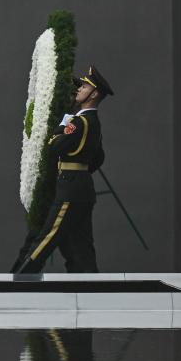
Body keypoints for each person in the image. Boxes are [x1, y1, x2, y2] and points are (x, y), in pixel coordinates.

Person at [13, 66, 113, 274]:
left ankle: (21, 279)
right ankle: (89, 287)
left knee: (46, 239)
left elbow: (53, 147)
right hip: (82, 188)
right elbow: (99, 158)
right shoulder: (94, 123)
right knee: (81, 247)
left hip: (70, 189)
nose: (79, 89)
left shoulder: (79, 122)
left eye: (84, 87)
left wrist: (64, 121)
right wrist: (80, 171)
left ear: (94, 94)